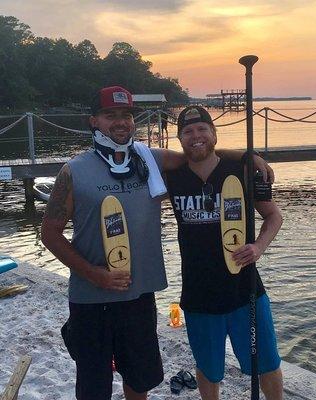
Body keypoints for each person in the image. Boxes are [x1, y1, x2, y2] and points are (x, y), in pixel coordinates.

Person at [41, 86, 274, 400]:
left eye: (127, 115)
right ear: (94, 120)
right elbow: (50, 233)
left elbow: (198, 153)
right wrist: (93, 274)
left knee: (140, 380)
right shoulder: (74, 171)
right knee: (93, 386)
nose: (121, 122)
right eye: (111, 115)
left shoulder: (149, 159)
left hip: (139, 296)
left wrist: (249, 155)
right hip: (90, 300)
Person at [165, 106, 283, 400]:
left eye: (203, 129)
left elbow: (274, 217)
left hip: (246, 291)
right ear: (180, 140)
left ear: (214, 134)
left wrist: (258, 247)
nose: (196, 136)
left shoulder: (243, 172)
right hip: (198, 295)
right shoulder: (172, 176)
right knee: (208, 369)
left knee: (267, 364)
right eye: (188, 132)